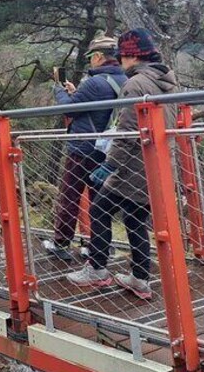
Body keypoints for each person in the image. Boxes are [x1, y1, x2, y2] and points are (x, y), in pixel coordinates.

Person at [67, 29, 178, 300]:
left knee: (100, 209)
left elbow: (127, 134)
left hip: (132, 168)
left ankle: (97, 269)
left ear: (130, 56)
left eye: (122, 56)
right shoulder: (167, 83)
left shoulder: (136, 85)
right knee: (134, 219)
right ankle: (140, 278)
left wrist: (109, 166)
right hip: (157, 165)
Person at [42, 36, 127, 261]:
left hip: (83, 147)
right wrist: (75, 92)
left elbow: (69, 110)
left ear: (98, 57)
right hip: (107, 149)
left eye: (91, 57)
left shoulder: (94, 82)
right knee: (100, 199)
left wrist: (59, 91)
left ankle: (61, 243)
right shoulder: (124, 79)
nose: (90, 61)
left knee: (70, 195)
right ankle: (100, 246)